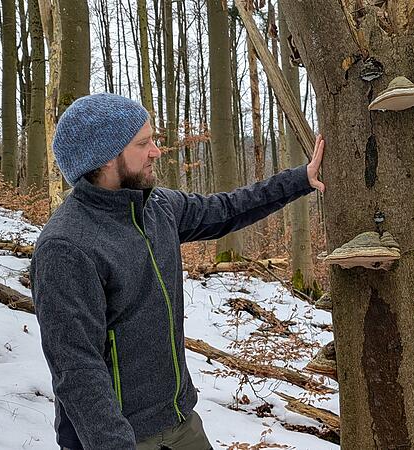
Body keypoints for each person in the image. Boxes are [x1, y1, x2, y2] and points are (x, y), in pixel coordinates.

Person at [29, 93, 325, 450]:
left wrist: (300, 179)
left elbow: (226, 209)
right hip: (120, 438)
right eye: (143, 144)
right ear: (106, 158)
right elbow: (76, 370)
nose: (156, 151)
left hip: (181, 423)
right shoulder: (66, 247)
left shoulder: (156, 207)